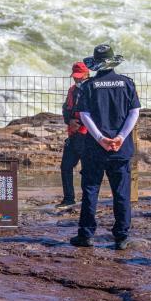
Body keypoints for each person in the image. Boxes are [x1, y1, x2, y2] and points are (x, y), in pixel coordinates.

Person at [70, 45, 140, 250]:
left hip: (94, 148)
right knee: (121, 193)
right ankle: (121, 237)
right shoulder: (127, 83)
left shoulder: (89, 86)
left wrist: (101, 138)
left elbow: (84, 115)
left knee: (91, 190)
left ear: (95, 64)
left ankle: (86, 235)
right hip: (121, 148)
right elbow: (134, 112)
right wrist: (120, 137)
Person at [58, 61, 91, 208]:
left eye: (80, 76)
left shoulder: (92, 89)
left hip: (87, 136)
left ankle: (88, 200)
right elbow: (66, 108)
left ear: (87, 74)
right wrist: (69, 121)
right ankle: (69, 199)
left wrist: (82, 125)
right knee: (65, 167)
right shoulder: (72, 90)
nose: (77, 79)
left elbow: (96, 113)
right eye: (75, 77)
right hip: (73, 135)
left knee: (87, 170)